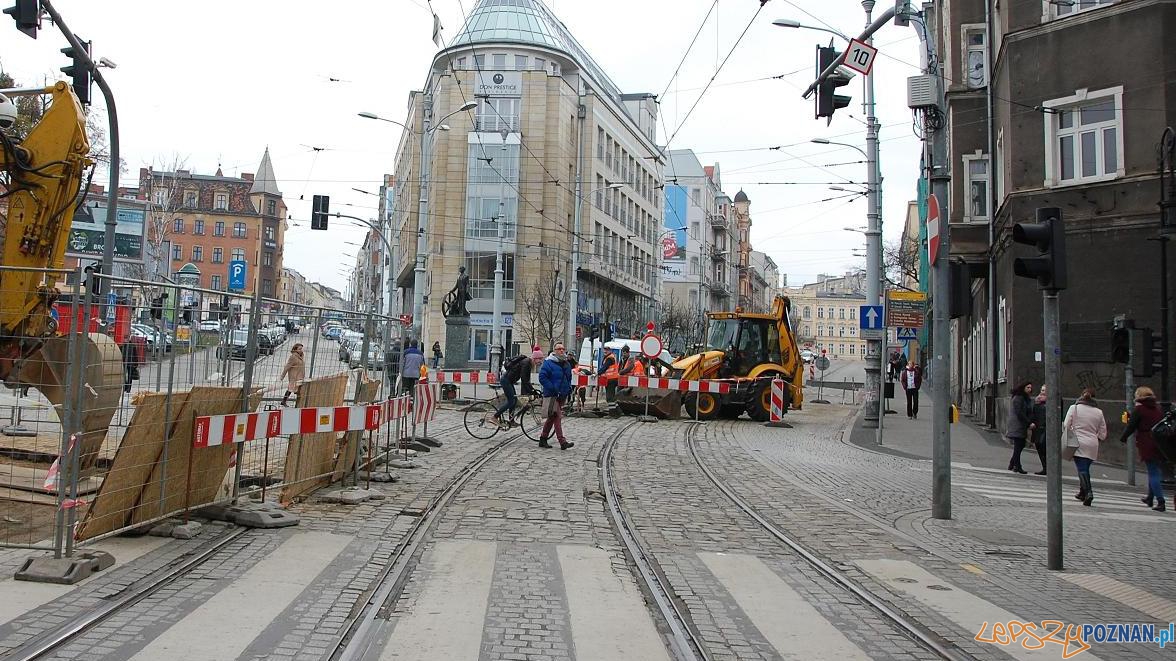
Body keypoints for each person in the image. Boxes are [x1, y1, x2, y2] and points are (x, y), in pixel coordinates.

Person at [1119, 386, 1167, 512]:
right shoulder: (1157, 409)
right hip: (1159, 443)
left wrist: (1123, 438)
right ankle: (1150, 498)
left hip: (1146, 442)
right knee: (1154, 469)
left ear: (1139, 396)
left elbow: (1131, 426)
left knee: (1153, 472)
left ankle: (1161, 501)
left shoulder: (1139, 409)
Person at [1063, 388, 1107, 506]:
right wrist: (1096, 436)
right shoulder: (1099, 412)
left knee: (1082, 469)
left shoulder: (1074, 408)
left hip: (1078, 442)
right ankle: (1082, 492)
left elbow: (1066, 425)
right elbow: (1103, 433)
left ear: (1081, 396)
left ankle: (1089, 492)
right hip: (1093, 443)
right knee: (1085, 467)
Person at [491, 349, 543, 428]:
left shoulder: (527, 363)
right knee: (511, 400)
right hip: (506, 381)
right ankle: (494, 417)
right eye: (540, 359)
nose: (541, 361)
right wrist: (532, 391)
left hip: (509, 381)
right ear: (535, 358)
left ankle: (511, 421)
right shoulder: (527, 363)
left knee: (514, 400)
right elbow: (525, 380)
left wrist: (531, 391)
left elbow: (526, 381)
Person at [537, 342, 574, 450]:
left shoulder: (566, 363)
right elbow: (542, 377)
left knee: (552, 417)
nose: (561, 350)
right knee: (557, 416)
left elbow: (568, 377)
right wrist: (552, 388)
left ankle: (543, 439)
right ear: (554, 351)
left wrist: (568, 388)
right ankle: (562, 442)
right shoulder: (548, 363)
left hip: (562, 393)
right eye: (559, 349)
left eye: (563, 349)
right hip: (552, 394)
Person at [1007, 381, 1034, 474]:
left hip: (1020, 425)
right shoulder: (1019, 398)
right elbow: (1020, 413)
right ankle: (1017, 466)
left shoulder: (1025, 398)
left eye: (1030, 388)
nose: (1030, 390)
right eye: (1028, 388)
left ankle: (1012, 463)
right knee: (1019, 445)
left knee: (1020, 445)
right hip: (1017, 425)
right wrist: (1028, 422)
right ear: (1023, 388)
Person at [1029, 385, 1049, 475]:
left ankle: (1048, 468)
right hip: (1037, 429)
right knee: (1039, 448)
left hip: (1046, 429)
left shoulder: (1052, 402)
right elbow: (1033, 413)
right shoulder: (1037, 401)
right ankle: (1044, 467)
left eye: (1044, 390)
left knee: (1044, 447)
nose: (1042, 392)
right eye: (1042, 390)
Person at [600, 344, 620, 413]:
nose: (605, 351)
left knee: (609, 397)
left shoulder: (609, 358)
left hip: (611, 379)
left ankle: (612, 413)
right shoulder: (609, 357)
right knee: (612, 397)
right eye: (604, 350)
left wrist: (598, 373)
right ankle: (618, 411)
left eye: (607, 350)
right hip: (612, 379)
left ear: (610, 351)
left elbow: (604, 367)